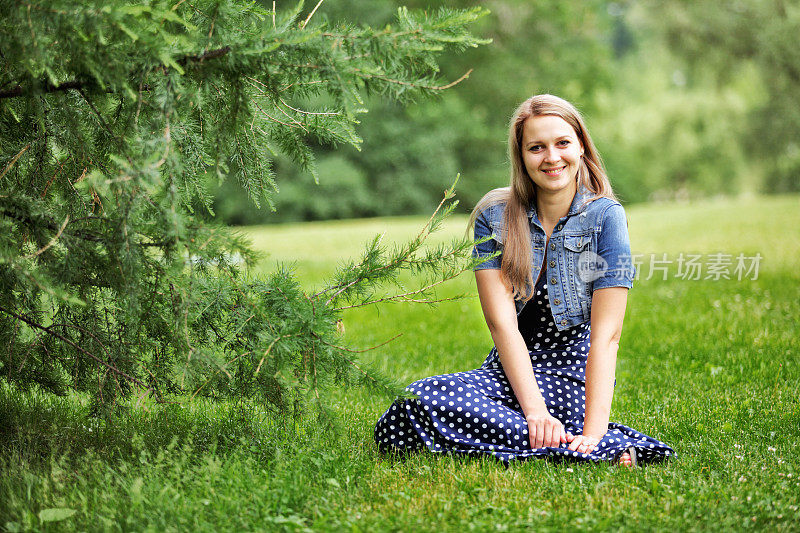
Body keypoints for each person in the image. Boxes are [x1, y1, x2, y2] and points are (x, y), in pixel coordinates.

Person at [374, 94, 674, 466]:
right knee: (412, 406)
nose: (551, 157)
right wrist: (534, 411)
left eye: (562, 143)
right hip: (506, 371)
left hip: (570, 375)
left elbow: (606, 336)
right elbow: (502, 325)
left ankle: (593, 445)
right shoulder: (494, 215)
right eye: (537, 147)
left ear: (581, 147)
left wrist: (593, 431)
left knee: (434, 423)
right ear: (522, 157)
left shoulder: (605, 218)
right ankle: (585, 447)